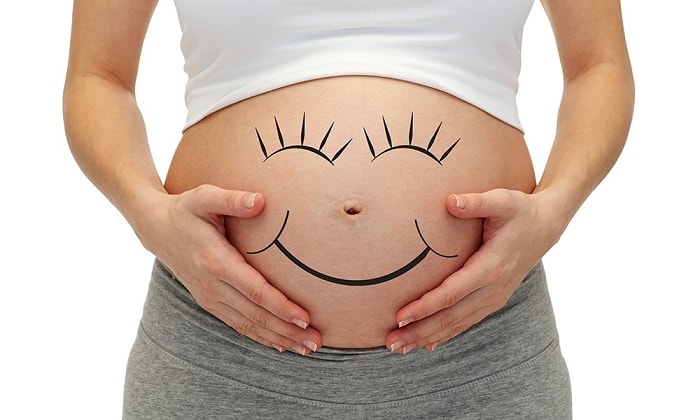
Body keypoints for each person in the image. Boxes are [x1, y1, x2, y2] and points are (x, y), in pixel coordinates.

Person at [63, 0, 634, 418]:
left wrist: (556, 207)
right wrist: (147, 212)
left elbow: (598, 66)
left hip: (479, 348)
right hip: (221, 347)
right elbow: (99, 77)